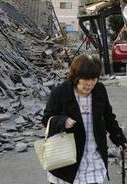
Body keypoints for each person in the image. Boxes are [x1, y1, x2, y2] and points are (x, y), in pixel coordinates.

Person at [42, 54, 127, 184]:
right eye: (85, 83)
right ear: (76, 77)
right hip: (67, 160)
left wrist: (119, 138)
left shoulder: (99, 90)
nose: (89, 86)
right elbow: (46, 118)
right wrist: (62, 121)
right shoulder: (60, 92)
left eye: (93, 81)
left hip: (93, 157)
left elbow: (109, 117)